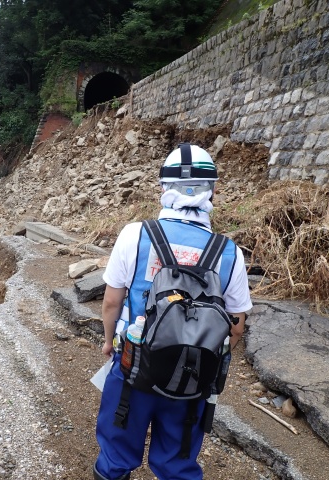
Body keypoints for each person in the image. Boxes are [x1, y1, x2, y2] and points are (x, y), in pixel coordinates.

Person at [93, 143, 252, 480]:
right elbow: (235, 327)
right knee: (177, 462)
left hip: (133, 366)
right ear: (213, 190)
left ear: (163, 188)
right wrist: (202, 357)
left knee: (117, 450)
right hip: (191, 378)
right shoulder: (229, 252)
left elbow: (111, 302)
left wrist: (110, 343)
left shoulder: (135, 234)